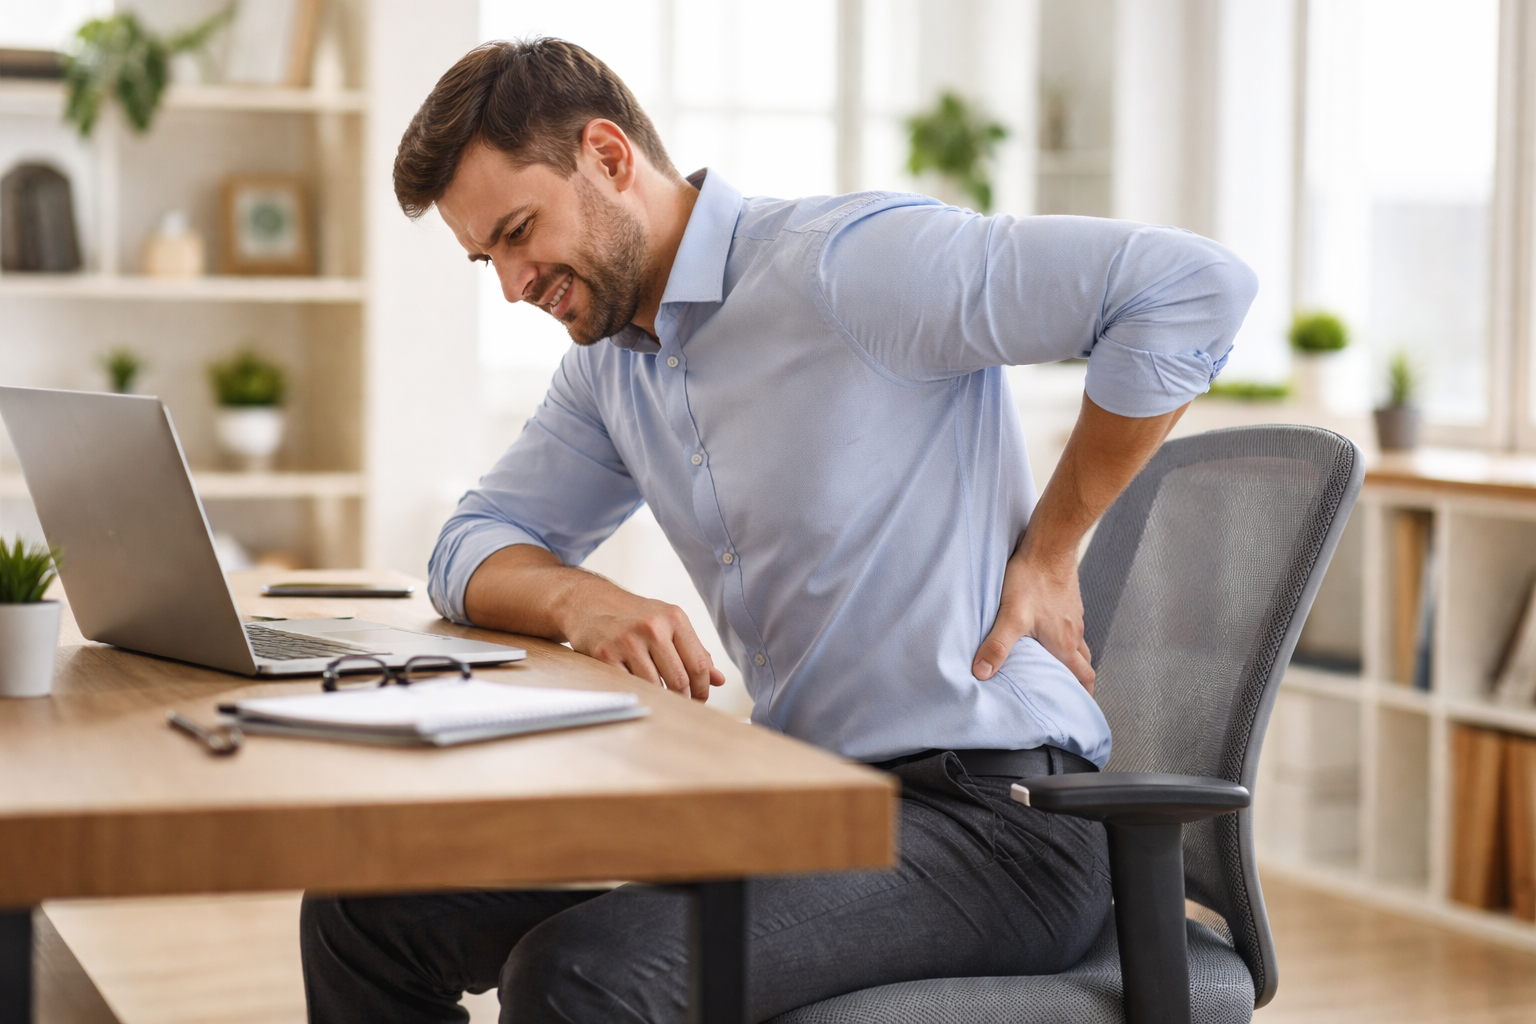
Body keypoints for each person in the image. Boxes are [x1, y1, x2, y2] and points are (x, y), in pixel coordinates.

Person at [300, 37, 1257, 1024]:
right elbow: (471, 543)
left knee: (581, 973)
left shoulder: (851, 266)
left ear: (609, 156)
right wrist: (582, 597)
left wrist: (1054, 547)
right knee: (363, 910)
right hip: (799, 800)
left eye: (517, 232)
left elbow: (1191, 287)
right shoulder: (612, 368)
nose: (509, 284)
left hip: (994, 825)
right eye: (485, 257)